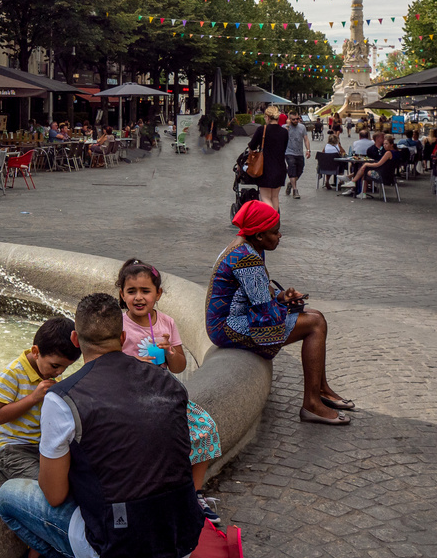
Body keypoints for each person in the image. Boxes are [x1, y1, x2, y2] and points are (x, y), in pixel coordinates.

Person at [0, 294, 204, 558]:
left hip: (118, 550)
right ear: (123, 339)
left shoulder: (63, 398)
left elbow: (55, 495)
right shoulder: (168, 382)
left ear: (76, 340)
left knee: (8, 496)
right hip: (182, 541)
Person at [207, 201, 352, 423]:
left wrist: (282, 298)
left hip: (231, 318)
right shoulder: (247, 259)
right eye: (274, 232)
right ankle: (312, 404)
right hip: (227, 327)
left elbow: (258, 295)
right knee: (315, 324)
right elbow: (264, 310)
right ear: (258, 235)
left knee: (317, 316)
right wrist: (285, 306)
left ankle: (321, 390)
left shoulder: (247, 247)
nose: (280, 235)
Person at [116, 259, 222, 524]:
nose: (139, 297)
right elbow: (110, 366)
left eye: (145, 291)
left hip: (164, 394)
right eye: (131, 291)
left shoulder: (166, 323)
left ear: (158, 294)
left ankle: (195, 492)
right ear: (122, 294)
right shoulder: (118, 326)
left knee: (206, 428)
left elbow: (178, 367)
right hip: (132, 398)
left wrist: (169, 351)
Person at [0, 316, 82, 558]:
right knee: (46, 496)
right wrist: (33, 398)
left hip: (43, 448)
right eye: (55, 366)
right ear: (35, 351)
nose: (58, 372)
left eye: (64, 368)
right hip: (13, 448)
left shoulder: (49, 373)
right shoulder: (15, 372)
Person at [247, 106, 289, 209]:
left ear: (267, 117)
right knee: (275, 197)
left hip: (265, 167)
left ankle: (271, 219)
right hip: (280, 167)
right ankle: (275, 221)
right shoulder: (284, 132)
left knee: (265, 197)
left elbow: (252, 146)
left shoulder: (262, 130)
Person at [283, 111, 311, 199]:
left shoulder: (302, 127)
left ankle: (291, 183)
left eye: (297, 119)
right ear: (289, 119)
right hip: (288, 152)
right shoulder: (284, 127)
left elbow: (306, 139)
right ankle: (295, 190)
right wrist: (287, 125)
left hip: (299, 152)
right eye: (293, 119)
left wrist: (308, 150)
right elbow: (282, 137)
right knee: (292, 168)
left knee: (300, 170)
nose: (296, 121)